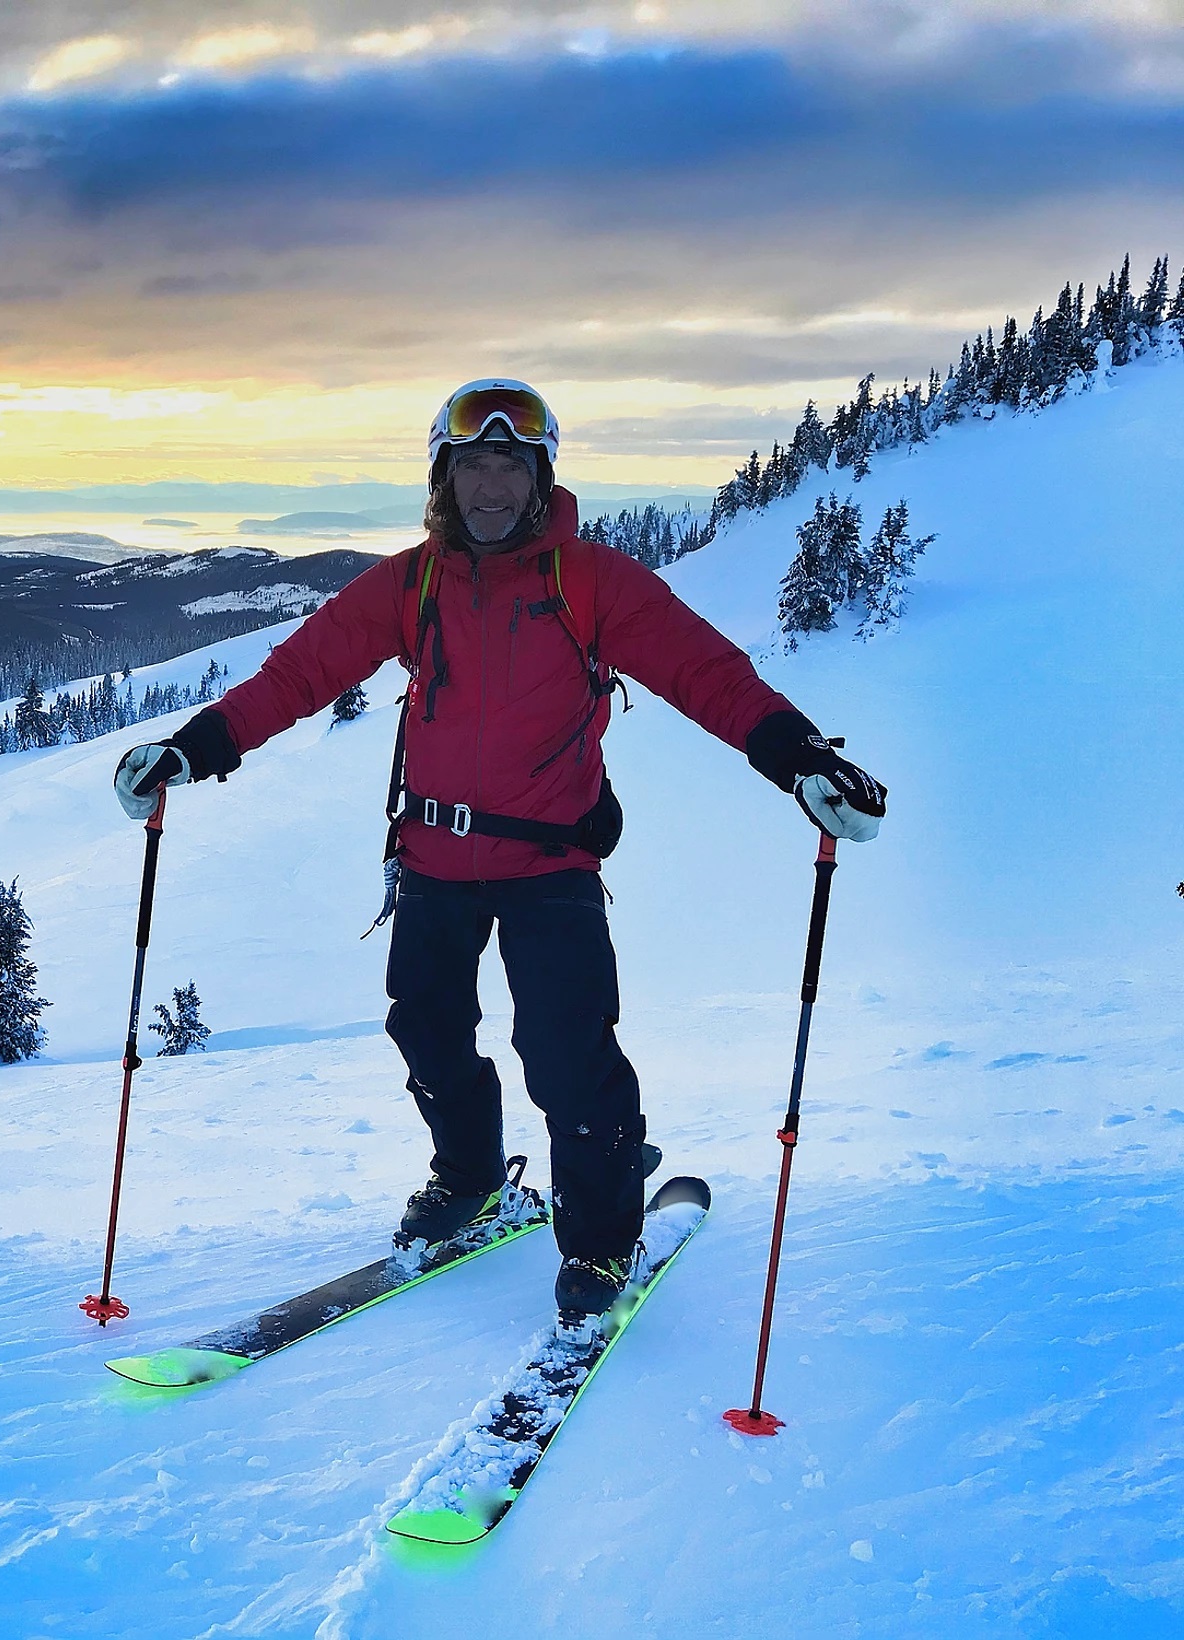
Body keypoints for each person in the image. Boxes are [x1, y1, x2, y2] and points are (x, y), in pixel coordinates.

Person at [112, 379, 886, 1316]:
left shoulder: (591, 582)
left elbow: (705, 672)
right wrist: (194, 748)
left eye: (508, 465)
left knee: (567, 1056)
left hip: (552, 866)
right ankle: (470, 1180)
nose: (490, 485)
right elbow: (300, 673)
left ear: (538, 476)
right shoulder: (413, 581)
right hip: (433, 862)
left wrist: (799, 757)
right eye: (471, 463)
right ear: (444, 477)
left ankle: (601, 1242)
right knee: (427, 1034)